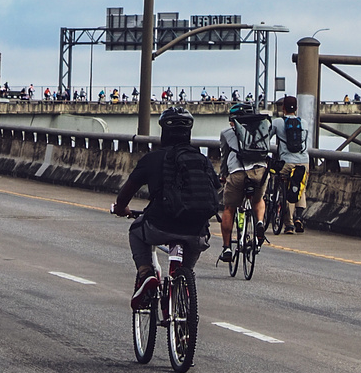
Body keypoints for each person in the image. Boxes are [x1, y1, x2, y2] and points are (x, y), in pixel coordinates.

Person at [111, 107, 219, 301]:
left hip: (159, 226)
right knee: (186, 270)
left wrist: (120, 208)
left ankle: (146, 274)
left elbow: (127, 192)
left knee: (136, 230)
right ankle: (184, 285)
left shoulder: (151, 159)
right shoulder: (202, 160)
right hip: (197, 232)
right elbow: (214, 191)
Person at [216, 102, 278, 261]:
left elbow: (224, 157)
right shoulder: (261, 129)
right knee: (258, 200)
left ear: (233, 120)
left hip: (238, 173)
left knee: (229, 208)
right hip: (260, 171)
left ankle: (227, 248)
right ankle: (259, 222)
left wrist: (223, 175)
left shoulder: (227, 133)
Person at [272, 94, 310, 233]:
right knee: (300, 187)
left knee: (286, 189)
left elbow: (267, 138)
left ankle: (289, 224)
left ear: (283, 108)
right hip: (304, 161)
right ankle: (299, 217)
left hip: (287, 162)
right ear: (297, 109)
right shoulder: (304, 123)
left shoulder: (278, 122)